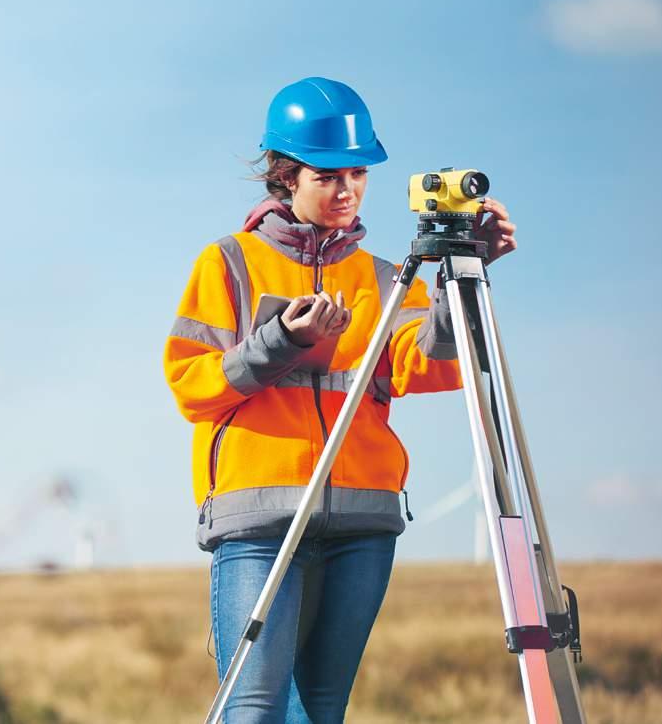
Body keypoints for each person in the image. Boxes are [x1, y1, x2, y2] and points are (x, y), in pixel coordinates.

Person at [164, 77, 517, 723]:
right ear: (286, 177)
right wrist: (279, 343)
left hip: (362, 521)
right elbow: (192, 385)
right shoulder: (228, 264)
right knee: (252, 706)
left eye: (357, 172)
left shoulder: (385, 276)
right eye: (327, 175)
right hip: (258, 521)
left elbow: (428, 366)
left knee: (322, 710)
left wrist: (463, 283)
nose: (346, 189)